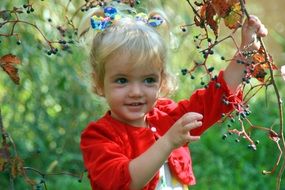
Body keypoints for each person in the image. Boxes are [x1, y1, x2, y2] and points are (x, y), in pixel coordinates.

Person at [79, 4, 268, 190]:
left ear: (162, 80)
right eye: (121, 80)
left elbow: (217, 98)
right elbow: (122, 183)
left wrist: (248, 48)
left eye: (148, 80)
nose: (136, 91)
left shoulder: (168, 117)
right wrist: (168, 142)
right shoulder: (100, 137)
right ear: (99, 83)